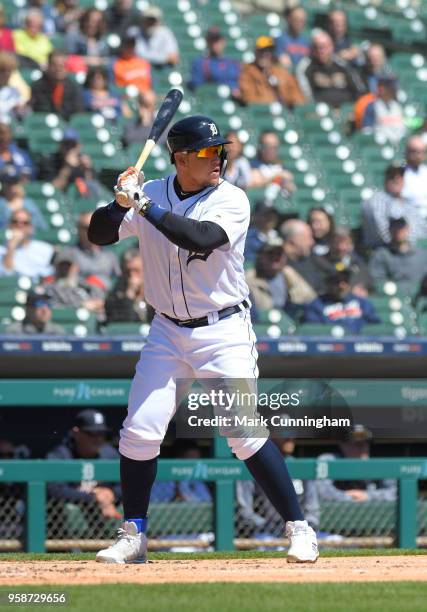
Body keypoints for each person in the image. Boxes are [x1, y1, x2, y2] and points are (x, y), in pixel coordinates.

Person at [88, 114, 318, 564]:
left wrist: (144, 207)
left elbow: (201, 236)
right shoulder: (150, 191)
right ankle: (133, 533)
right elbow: (98, 235)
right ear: (180, 159)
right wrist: (119, 204)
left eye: (220, 151)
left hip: (224, 331)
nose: (218, 159)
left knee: (243, 432)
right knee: (138, 431)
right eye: (207, 152)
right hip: (167, 331)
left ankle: (300, 528)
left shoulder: (231, 198)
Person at [46, 410, 122, 537]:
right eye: (92, 433)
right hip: (64, 527)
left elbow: (130, 484)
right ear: (76, 433)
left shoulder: (110, 454)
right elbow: (53, 489)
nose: (98, 438)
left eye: (101, 433)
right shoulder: (61, 455)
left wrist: (111, 493)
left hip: (102, 515)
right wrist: (93, 498)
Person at [317, 424, 396, 503]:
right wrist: (347, 496)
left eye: (365, 443)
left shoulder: (379, 463)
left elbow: (396, 493)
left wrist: (368, 495)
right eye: (356, 443)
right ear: (343, 445)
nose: (362, 447)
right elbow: (321, 491)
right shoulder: (330, 460)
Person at [296, 30, 365, 107]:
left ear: (331, 47)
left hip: (347, 110)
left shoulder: (342, 64)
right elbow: (307, 96)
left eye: (323, 47)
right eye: (317, 47)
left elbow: (359, 89)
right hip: (321, 111)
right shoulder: (306, 66)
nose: (321, 51)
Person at [362, 163, 423, 249]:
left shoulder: (408, 203)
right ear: (385, 179)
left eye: (400, 176)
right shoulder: (376, 201)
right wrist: (401, 244)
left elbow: (419, 230)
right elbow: (382, 232)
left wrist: (408, 246)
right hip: (381, 250)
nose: (396, 179)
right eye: (392, 176)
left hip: (408, 252)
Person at [304, 270, 380, 333]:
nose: (341, 286)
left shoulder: (362, 303)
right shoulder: (317, 304)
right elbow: (316, 330)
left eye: (345, 280)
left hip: (358, 343)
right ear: (328, 283)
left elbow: (374, 323)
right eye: (336, 281)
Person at [239, 36, 305, 107]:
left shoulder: (282, 73)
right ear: (255, 52)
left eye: (268, 51)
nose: (264, 54)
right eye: (261, 51)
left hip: (284, 114)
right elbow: (250, 99)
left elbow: (298, 99)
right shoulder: (246, 72)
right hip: (262, 114)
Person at [38, 128, 105, 196]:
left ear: (79, 146)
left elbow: (90, 192)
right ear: (61, 145)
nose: (69, 148)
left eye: (73, 145)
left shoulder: (81, 161)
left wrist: (86, 170)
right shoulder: (50, 160)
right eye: (66, 144)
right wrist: (67, 167)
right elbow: (52, 190)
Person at [369, 217, 427, 294]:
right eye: (394, 227)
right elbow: (377, 279)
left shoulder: (422, 254)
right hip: (393, 297)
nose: (398, 231)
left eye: (401, 227)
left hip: (419, 297)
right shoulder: (381, 254)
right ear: (389, 229)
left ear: (408, 229)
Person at [42, 248, 106, 313]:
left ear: (76, 267)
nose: (64, 269)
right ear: (55, 267)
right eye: (61, 265)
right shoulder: (48, 287)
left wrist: (97, 303)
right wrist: (82, 305)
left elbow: (100, 299)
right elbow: (54, 304)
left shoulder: (85, 284)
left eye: (68, 266)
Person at [69, 211, 120, 290]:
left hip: (105, 297)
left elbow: (119, 279)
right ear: (79, 229)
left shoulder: (110, 255)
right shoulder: (69, 254)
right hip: (80, 297)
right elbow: (66, 281)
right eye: (86, 227)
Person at [317, 226, 372, 296]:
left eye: (346, 243)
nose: (340, 247)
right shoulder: (320, 262)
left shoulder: (359, 264)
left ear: (351, 245)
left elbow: (369, 284)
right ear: (329, 243)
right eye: (336, 243)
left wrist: (363, 289)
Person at [30, 50, 84, 120]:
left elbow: (78, 111)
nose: (59, 69)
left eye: (63, 66)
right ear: (48, 66)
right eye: (55, 65)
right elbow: (41, 110)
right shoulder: (38, 86)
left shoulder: (73, 87)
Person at [0, 210, 53, 280]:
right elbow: (7, 277)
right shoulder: (2, 250)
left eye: (25, 223)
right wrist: (11, 248)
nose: (19, 225)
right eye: (15, 222)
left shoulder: (45, 249)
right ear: (9, 225)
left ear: (31, 227)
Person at [354, 74, 406, 146]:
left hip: (399, 145)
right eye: (381, 86)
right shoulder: (372, 106)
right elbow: (367, 131)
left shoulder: (397, 106)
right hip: (380, 145)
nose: (382, 89)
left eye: (387, 86)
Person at [104, 248, 153, 323]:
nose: (131, 275)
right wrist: (129, 295)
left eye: (136, 270)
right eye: (127, 271)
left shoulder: (156, 295)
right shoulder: (115, 296)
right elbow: (125, 324)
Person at [189, 27, 241, 96]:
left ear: (223, 41)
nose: (215, 44)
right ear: (207, 42)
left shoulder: (233, 63)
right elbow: (198, 88)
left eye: (217, 40)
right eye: (212, 41)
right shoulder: (200, 63)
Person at [280, 219, 324, 294]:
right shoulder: (277, 264)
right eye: (309, 237)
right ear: (294, 239)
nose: (312, 242)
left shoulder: (310, 259)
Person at [401, 135, 427, 223]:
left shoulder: (425, 172)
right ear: (407, 152)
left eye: (421, 152)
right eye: (414, 151)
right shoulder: (400, 173)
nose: (418, 155)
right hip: (409, 218)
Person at [0, 52, 26, 123]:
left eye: (9, 70)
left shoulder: (14, 91)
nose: (7, 74)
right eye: (2, 70)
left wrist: (20, 109)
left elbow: (23, 111)